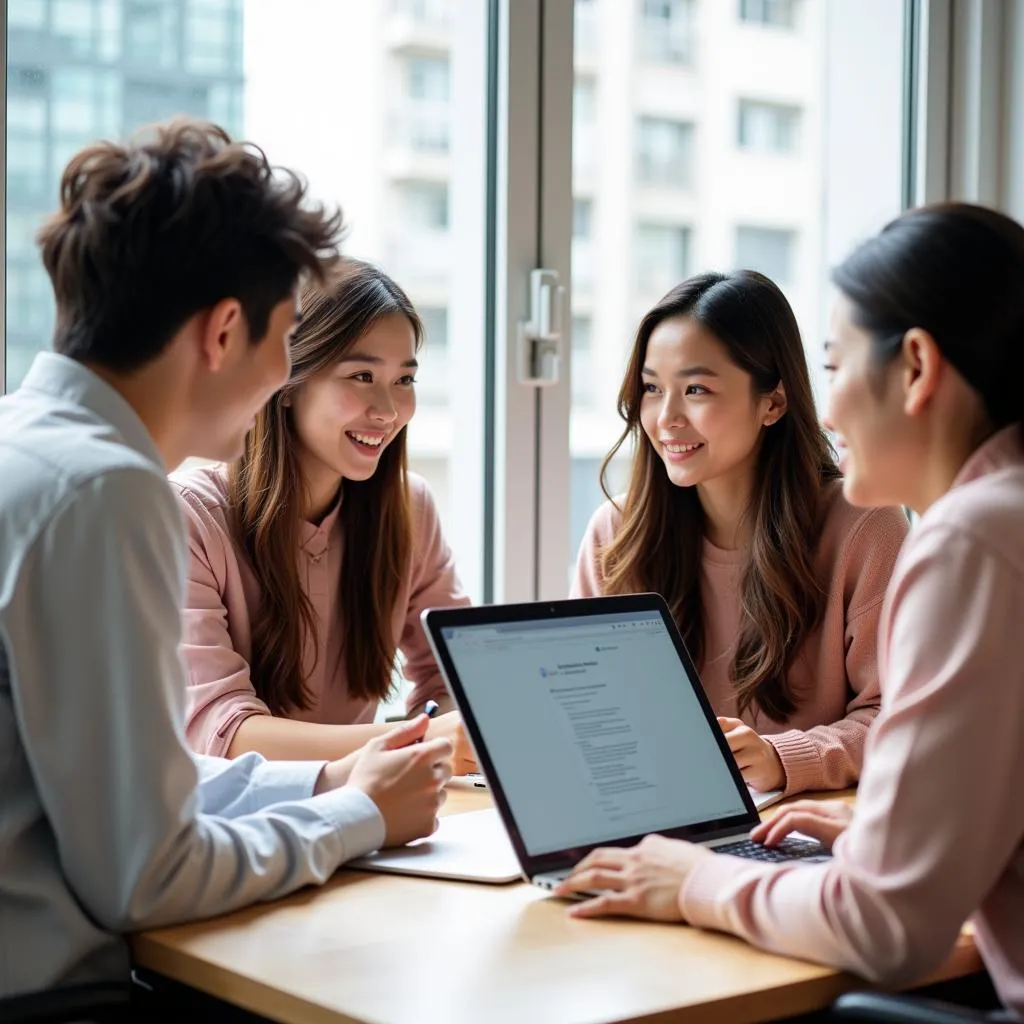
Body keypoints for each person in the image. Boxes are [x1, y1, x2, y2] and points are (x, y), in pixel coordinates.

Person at [0, 119, 453, 1003]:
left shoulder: (30, 444)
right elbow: (147, 873)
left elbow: (140, 786)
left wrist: (335, 783)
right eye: (290, 340)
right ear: (223, 332)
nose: (284, 375)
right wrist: (356, 815)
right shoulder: (106, 490)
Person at [556, 203, 1024, 1018]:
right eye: (652, 391)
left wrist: (697, 876)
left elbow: (887, 929)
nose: (830, 411)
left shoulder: (973, 541)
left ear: (915, 367)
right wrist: (894, 842)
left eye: (837, 370)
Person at [572, 271, 908, 796]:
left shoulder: (865, 526)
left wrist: (784, 757)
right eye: (653, 388)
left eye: (697, 389)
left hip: (811, 830)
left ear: (772, 402)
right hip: (660, 822)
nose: (666, 418)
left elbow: (898, 716)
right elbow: (589, 712)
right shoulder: (615, 536)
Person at [171, 257, 474, 770]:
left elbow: (456, 676)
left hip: (363, 816)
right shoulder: (188, 518)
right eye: (362, 375)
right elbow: (221, 730)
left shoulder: (409, 507)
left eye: (404, 380)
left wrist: (451, 723)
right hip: (234, 826)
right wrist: (424, 741)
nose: (388, 410)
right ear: (285, 384)